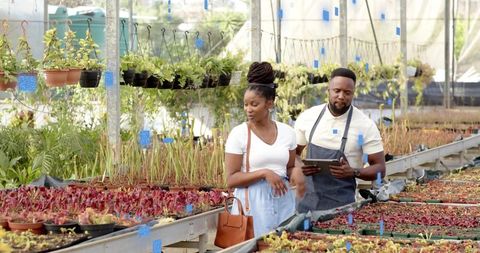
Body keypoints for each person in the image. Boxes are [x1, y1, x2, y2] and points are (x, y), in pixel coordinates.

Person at [225, 62, 305, 237]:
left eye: (254, 104)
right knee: (256, 246)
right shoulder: (239, 134)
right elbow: (231, 179)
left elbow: (289, 167)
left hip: (283, 199)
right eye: (245, 104)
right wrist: (264, 173)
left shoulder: (287, 133)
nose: (248, 110)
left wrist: (296, 172)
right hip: (252, 203)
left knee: (283, 245)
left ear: (269, 103)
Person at [294, 67, 386, 212]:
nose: (341, 96)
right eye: (337, 91)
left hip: (342, 208)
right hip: (306, 204)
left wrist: (354, 172)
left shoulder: (365, 126)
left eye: (347, 92)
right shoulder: (308, 117)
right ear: (328, 90)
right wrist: (300, 167)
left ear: (353, 93)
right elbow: (294, 154)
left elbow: (380, 169)